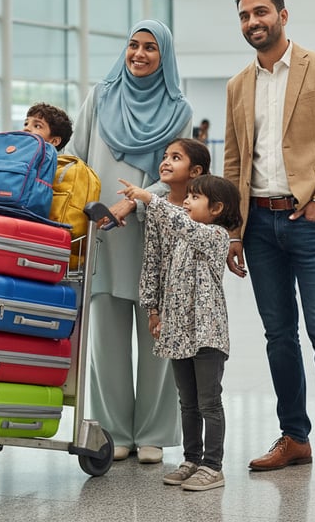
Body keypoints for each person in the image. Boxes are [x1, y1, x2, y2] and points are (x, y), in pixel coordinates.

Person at [223, 0, 315, 489]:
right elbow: (235, 160)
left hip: (311, 221)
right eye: (244, 15)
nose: (252, 21)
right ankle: (294, 437)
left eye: (260, 12)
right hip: (258, 225)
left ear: (283, 15)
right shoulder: (238, 84)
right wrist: (234, 231)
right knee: (278, 336)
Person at [66, 20, 193, 464]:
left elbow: (177, 171)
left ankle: (154, 431)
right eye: (133, 46)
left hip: (152, 231)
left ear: (165, 57)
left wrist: (137, 203)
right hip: (102, 232)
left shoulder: (178, 110)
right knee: (105, 335)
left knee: (156, 333)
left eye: (151, 49)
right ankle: (114, 430)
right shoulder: (100, 96)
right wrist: (89, 207)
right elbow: (76, 157)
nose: (139, 54)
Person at [118, 173, 242, 492]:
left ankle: (213, 466)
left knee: (208, 402)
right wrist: (155, 312)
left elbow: (184, 225)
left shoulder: (215, 235)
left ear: (217, 208)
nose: (186, 201)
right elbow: (160, 265)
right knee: (187, 401)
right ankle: (192, 459)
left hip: (207, 334)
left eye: (195, 197)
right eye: (186, 197)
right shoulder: (182, 234)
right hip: (179, 333)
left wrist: (149, 199)